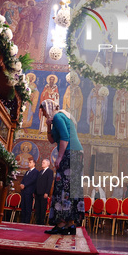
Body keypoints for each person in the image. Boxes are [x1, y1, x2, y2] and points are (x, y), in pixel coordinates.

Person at [40, 99, 84, 235]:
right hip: (76, 154)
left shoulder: (58, 117)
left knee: (62, 188)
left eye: (43, 111)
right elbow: (52, 139)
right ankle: (70, 224)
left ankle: (61, 224)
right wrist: (48, 126)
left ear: (48, 108)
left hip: (70, 153)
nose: (43, 114)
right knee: (72, 188)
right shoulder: (62, 116)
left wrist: (59, 157)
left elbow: (64, 137)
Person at [35, 158, 54, 225]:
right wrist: (35, 192)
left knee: (42, 208)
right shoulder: (40, 172)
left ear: (48, 164)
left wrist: (47, 192)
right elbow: (37, 182)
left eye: (44, 162)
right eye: (42, 162)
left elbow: (49, 183)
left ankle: (41, 223)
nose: (42, 163)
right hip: (38, 193)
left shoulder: (50, 171)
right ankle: (37, 222)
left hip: (44, 193)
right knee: (37, 208)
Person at [20, 158, 39, 224]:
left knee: (28, 207)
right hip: (24, 191)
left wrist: (25, 185)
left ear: (34, 164)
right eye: (29, 162)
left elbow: (33, 180)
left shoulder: (36, 172)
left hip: (29, 191)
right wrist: (21, 184)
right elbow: (23, 179)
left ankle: (26, 221)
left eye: (30, 162)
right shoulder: (27, 172)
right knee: (23, 206)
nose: (29, 163)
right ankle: (22, 221)